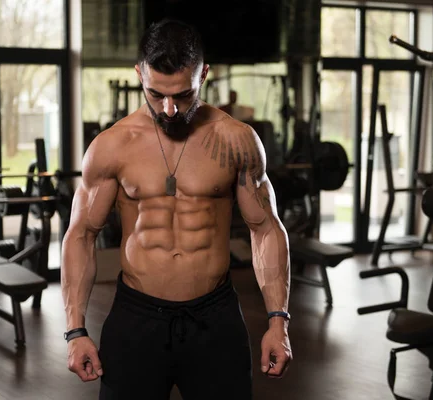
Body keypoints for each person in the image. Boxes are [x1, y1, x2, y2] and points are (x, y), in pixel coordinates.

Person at [61, 18, 292, 400]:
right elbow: (81, 234)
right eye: (156, 94)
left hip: (214, 319)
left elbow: (266, 228)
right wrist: (75, 330)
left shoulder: (236, 140)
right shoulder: (111, 146)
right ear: (139, 74)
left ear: (204, 74)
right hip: (136, 319)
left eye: (183, 95)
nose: (169, 109)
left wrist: (277, 320)